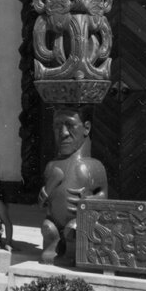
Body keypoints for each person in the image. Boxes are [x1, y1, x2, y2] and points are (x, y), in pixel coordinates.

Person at [39, 106, 108, 262]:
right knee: (48, 228)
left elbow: (104, 196)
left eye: (70, 125)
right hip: (55, 224)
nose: (63, 133)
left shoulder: (93, 166)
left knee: (73, 229)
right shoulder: (51, 166)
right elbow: (43, 203)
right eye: (57, 126)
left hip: (78, 223)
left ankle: (71, 254)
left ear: (86, 128)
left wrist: (88, 201)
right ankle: (53, 249)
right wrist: (44, 196)